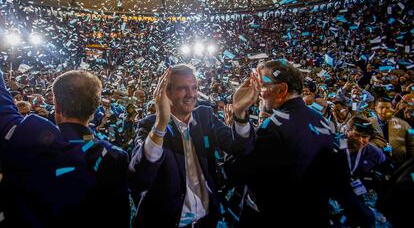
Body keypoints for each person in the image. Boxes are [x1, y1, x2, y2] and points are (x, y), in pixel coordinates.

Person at [226, 60, 374, 227]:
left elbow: (239, 170)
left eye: (263, 85)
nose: (260, 92)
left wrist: (239, 114)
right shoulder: (324, 122)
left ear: (282, 89)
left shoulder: (276, 126)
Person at [128, 64, 257, 227]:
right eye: (183, 88)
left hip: (207, 221)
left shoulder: (205, 115)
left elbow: (241, 148)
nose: (191, 94)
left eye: (194, 88)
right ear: (166, 93)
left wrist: (239, 113)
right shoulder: (150, 125)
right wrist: (161, 125)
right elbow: (138, 178)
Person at [0, 69, 130, 228]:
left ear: (57, 105)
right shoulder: (114, 157)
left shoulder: (24, 135)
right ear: (95, 108)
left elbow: (3, 108)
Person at [369, 98, 414, 167]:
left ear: (392, 108)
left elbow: (412, 144)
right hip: (375, 162)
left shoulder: (403, 124)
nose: (384, 110)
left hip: (399, 163)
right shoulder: (368, 123)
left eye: (387, 108)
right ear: (376, 108)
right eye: (381, 107)